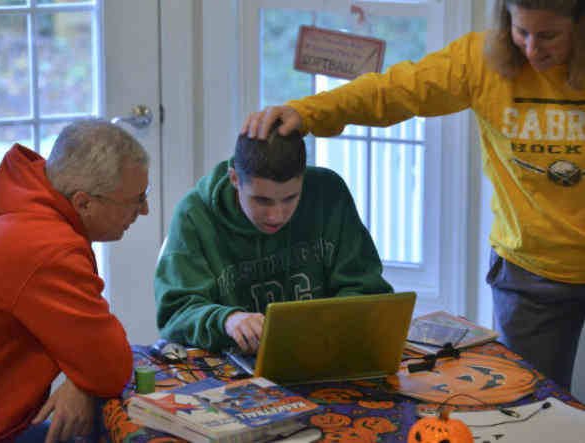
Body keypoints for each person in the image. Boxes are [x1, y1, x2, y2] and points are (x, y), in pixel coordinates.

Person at [242, 0, 585, 390]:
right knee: (531, 401)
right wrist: (307, 112)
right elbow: (395, 91)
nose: (531, 49)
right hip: (529, 273)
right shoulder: (480, 60)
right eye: (521, 32)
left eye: (549, 36)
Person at [155, 122, 393, 355]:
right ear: (234, 179)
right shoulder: (194, 215)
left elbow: (366, 289)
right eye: (262, 200)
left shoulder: (329, 193)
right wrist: (227, 320)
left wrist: (328, 325)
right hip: (233, 363)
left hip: (324, 352)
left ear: (303, 178)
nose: (276, 216)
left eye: (290, 198)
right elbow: (175, 315)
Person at [0, 119, 150, 442]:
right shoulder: (47, 249)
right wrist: (88, 376)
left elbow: (92, 358)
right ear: (83, 202)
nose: (144, 210)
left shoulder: (25, 199)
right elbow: (110, 367)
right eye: (135, 200)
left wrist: (81, 379)